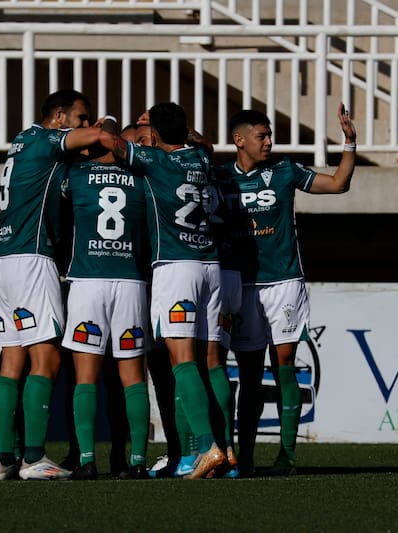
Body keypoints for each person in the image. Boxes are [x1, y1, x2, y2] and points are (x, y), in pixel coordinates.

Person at [215, 104, 356, 476]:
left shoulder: (284, 170)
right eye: (261, 136)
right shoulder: (218, 178)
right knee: (246, 375)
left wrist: (350, 144)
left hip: (284, 283)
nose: (269, 142)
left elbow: (338, 184)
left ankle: (287, 456)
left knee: (284, 367)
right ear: (239, 140)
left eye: (269, 135)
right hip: (241, 286)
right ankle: (242, 457)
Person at [0, 89, 111, 481]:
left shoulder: (22, 142)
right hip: (31, 257)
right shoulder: (45, 139)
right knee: (48, 359)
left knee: (11, 361)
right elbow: (97, 139)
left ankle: (3, 459)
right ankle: (33, 458)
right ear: (59, 117)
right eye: (80, 117)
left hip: (1, 259)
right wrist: (104, 124)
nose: (84, 124)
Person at [100, 102, 227, 479]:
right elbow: (204, 145)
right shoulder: (203, 159)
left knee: (182, 360)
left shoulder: (155, 162)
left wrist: (107, 120)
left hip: (176, 267)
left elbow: (110, 140)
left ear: (153, 134)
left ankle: (206, 447)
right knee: (211, 361)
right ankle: (227, 449)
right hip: (211, 266)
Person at [60, 133, 153, 481]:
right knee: (133, 379)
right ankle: (139, 460)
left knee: (86, 377)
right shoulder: (142, 177)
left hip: (88, 281)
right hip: (130, 282)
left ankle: (86, 460)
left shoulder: (77, 174)